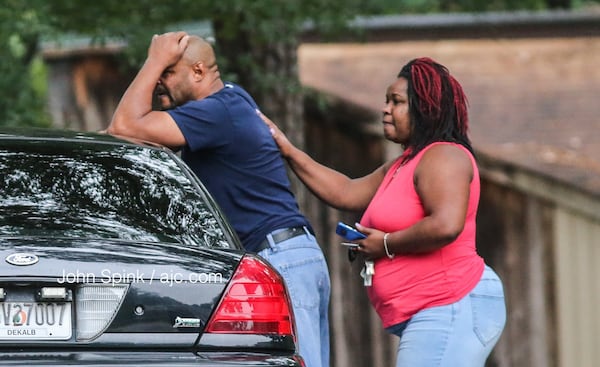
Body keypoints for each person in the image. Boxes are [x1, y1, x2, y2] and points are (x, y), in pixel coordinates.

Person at [261, 57, 506, 367]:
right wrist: (287, 149)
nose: (385, 108)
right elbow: (346, 191)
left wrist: (386, 243)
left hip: (451, 304)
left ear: (425, 109)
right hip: (436, 311)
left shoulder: (444, 156)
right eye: (386, 100)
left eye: (397, 102)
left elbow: (446, 225)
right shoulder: (404, 164)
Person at [106, 32, 330, 367]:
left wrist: (153, 60)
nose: (158, 82)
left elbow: (123, 126)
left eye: (167, 72)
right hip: (288, 257)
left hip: (280, 259)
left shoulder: (217, 113)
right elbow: (120, 135)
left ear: (197, 72)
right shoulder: (230, 101)